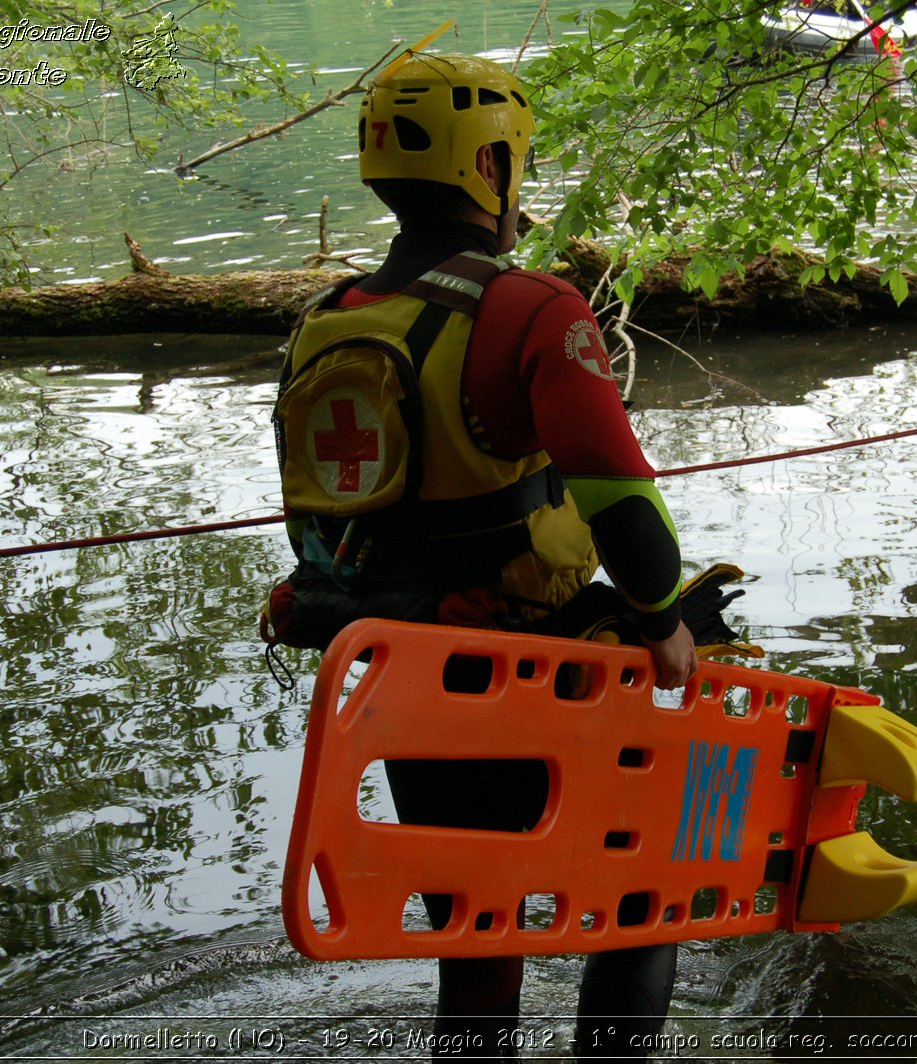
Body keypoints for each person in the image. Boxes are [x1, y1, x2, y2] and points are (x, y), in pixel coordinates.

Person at [263, 49, 699, 1058]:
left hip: (397, 676)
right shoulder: (529, 309)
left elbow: (319, 522)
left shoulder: (323, 323)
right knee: (649, 892)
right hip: (529, 674)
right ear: (491, 168)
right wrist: (662, 617)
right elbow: (622, 503)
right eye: (517, 164)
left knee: (478, 926)